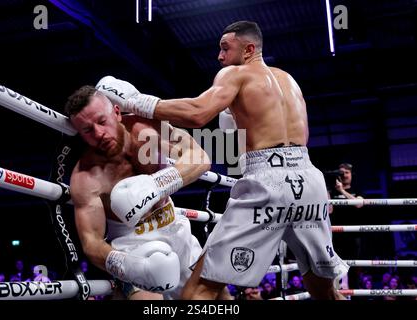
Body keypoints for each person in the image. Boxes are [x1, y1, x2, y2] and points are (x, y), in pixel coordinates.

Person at [95, 20, 349, 300]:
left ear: (249, 48)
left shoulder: (235, 74)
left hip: (268, 181)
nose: (220, 56)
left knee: (197, 294)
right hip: (310, 181)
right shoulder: (288, 80)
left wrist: (135, 102)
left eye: (225, 48)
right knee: (324, 292)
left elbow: (197, 113)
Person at [65, 85, 210, 300]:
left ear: (116, 113)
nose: (99, 134)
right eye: (87, 130)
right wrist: (132, 267)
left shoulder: (146, 130)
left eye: (102, 121)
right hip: (133, 246)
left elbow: (199, 158)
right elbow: (92, 243)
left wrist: (156, 185)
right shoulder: (86, 178)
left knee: (220, 297)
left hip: (177, 230)